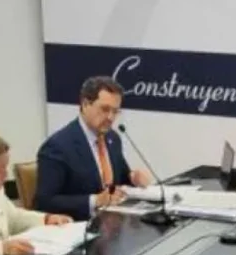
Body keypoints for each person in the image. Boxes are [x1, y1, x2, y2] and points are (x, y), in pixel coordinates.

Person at [35, 76, 152, 221]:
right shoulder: (57, 146)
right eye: (105, 109)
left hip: (112, 223)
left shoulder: (113, 138)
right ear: (85, 104)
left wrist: (133, 178)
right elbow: (44, 202)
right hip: (79, 225)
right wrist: (95, 201)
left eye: (115, 111)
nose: (110, 117)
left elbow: (120, 179)